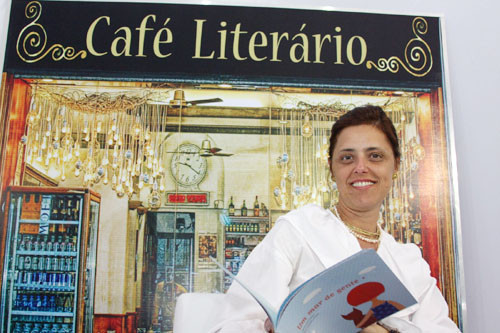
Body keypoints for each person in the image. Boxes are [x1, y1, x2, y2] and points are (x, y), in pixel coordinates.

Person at [209, 105, 461, 333]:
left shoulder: (409, 261)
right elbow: (234, 322)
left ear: (395, 166)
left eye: (375, 156)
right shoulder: (298, 230)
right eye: (347, 158)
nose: (361, 167)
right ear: (331, 169)